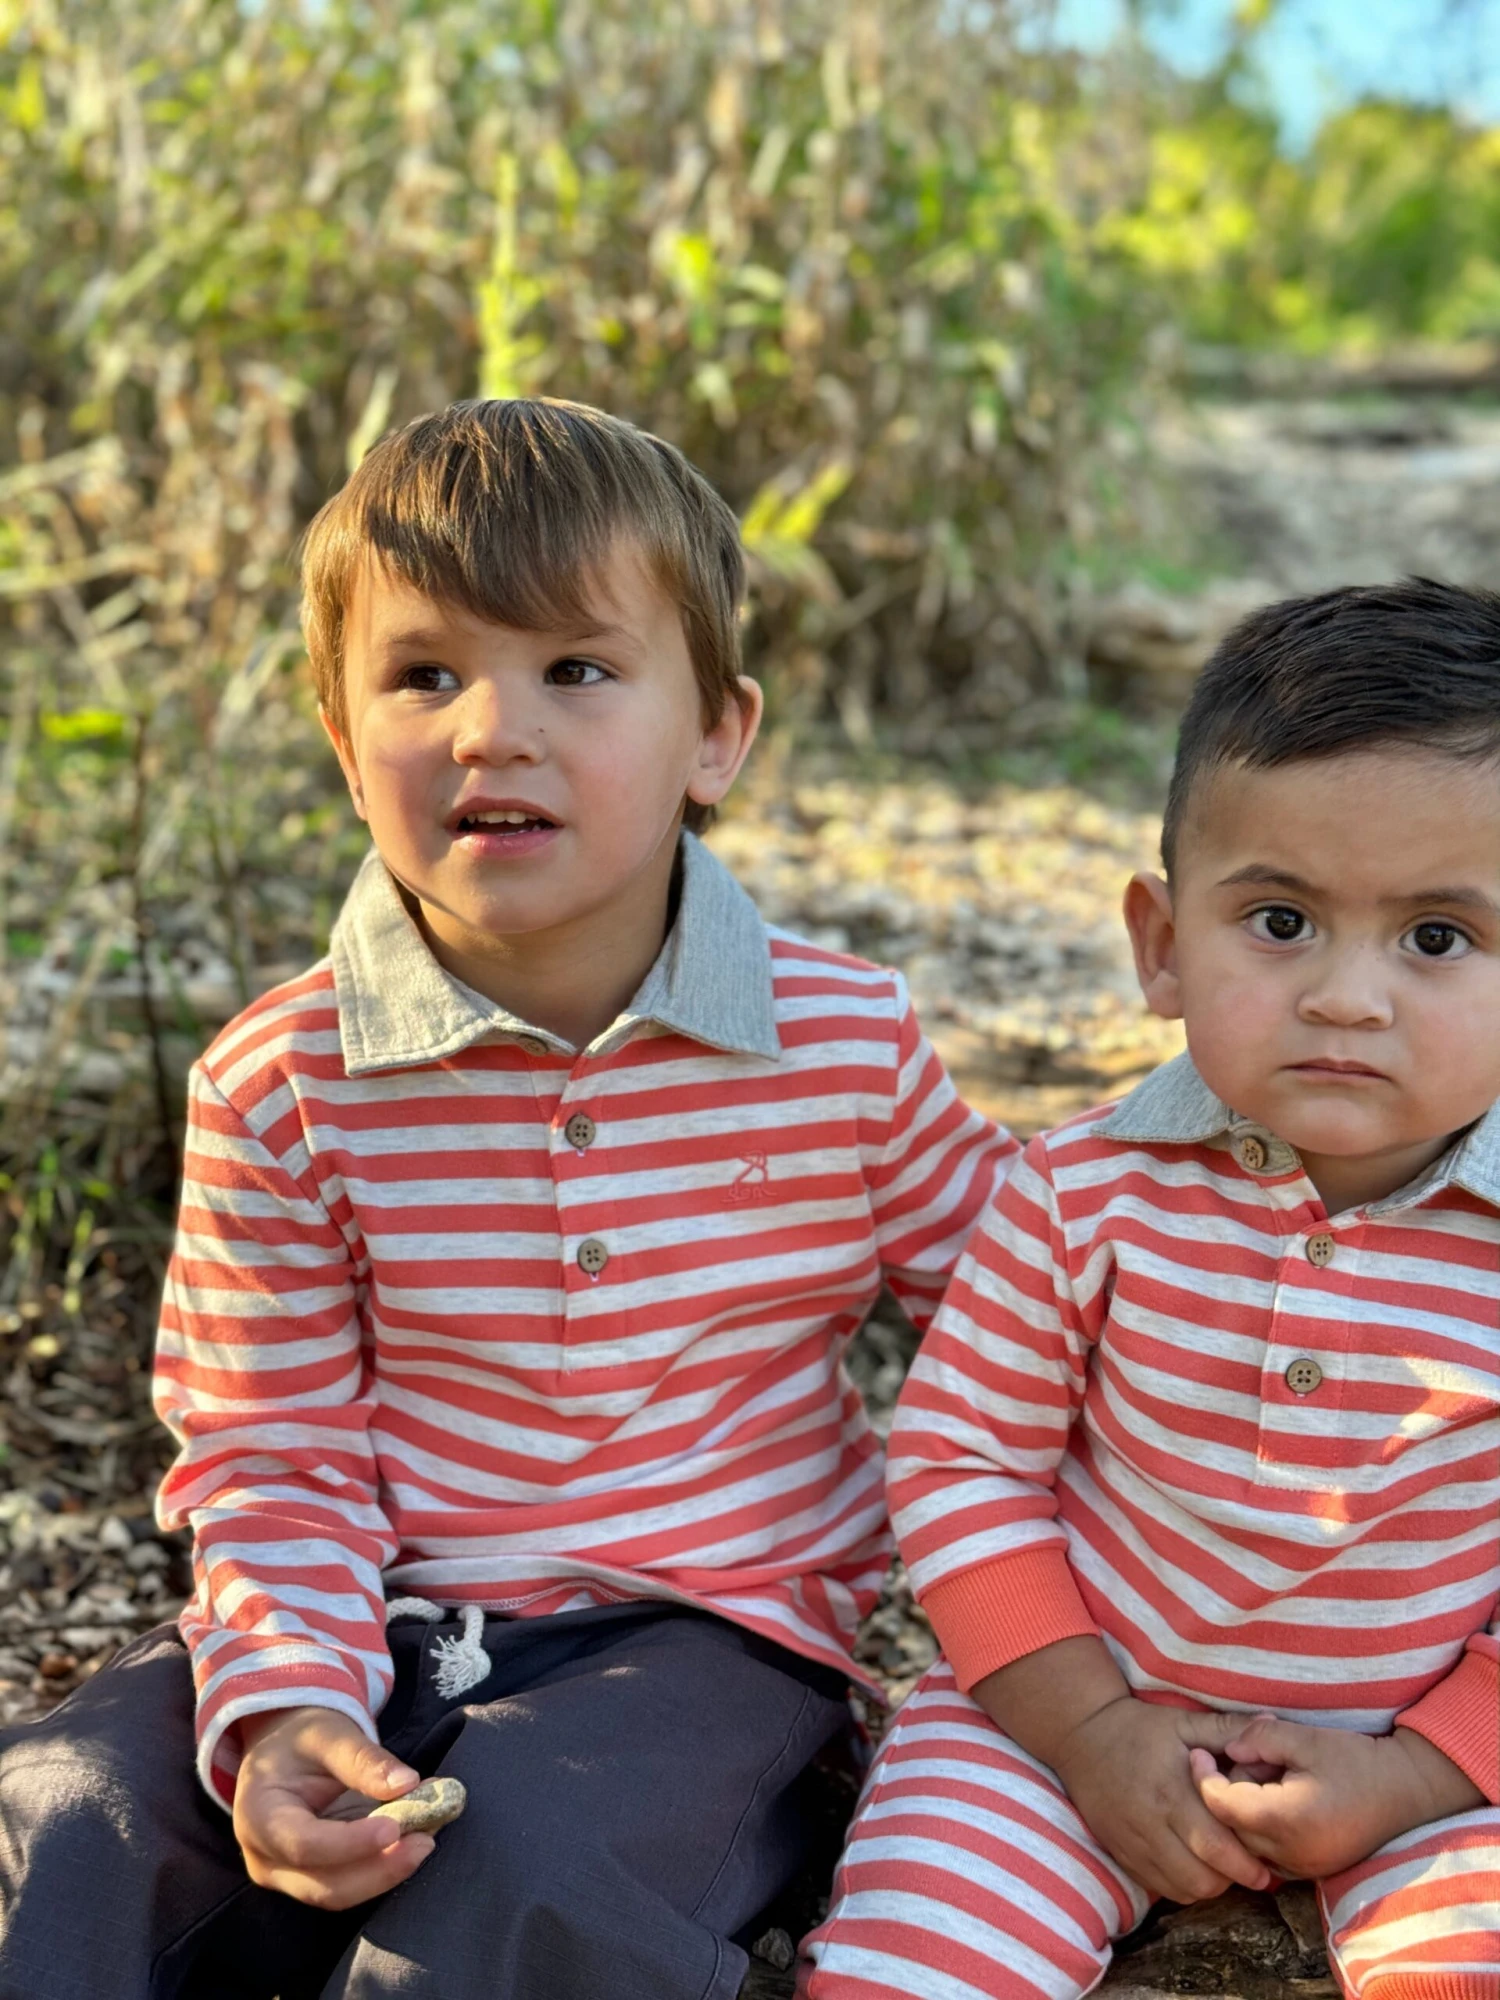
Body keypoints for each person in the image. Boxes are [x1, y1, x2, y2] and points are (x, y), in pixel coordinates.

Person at [0, 398, 1015, 2000]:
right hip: (369, 1613)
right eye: (422, 676)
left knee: (509, 1884)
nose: (492, 729)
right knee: (68, 1818)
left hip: (700, 1643)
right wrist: (287, 1706)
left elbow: (1026, 1307)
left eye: (577, 670)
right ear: (342, 742)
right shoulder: (283, 1082)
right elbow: (269, 1448)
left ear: (717, 736)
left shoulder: (839, 1044)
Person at [801, 578, 1500, 2000]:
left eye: (1438, 938)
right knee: (912, 1959)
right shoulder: (1082, 1194)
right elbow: (960, 1460)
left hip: (1442, 1772)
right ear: (1165, 944)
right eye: (1283, 921)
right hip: (1067, 1721)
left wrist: (1412, 1775)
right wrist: (1090, 1734)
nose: (1349, 998)